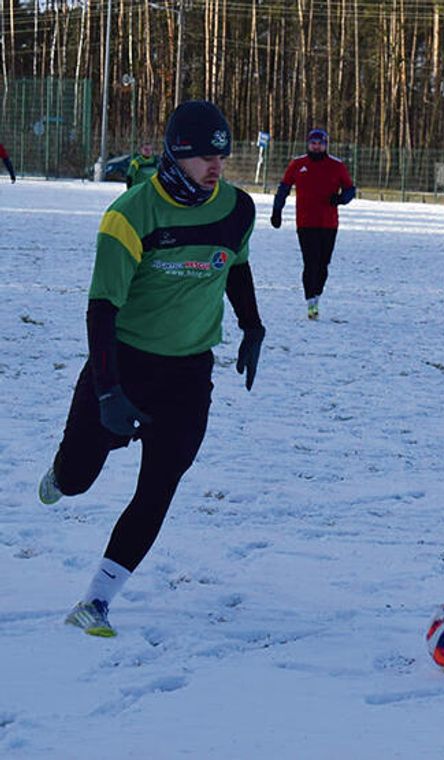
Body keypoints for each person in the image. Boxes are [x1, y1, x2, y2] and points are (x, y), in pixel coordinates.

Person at [38, 100, 265, 637]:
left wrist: (253, 325)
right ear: (175, 155)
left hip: (189, 375)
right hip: (125, 364)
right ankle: (62, 471)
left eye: (222, 154)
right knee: (76, 479)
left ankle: (95, 601)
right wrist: (109, 390)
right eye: (204, 156)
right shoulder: (130, 214)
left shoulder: (237, 208)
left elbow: (236, 265)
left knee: (160, 485)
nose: (216, 166)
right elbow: (101, 309)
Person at [270, 128, 356, 320]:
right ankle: (311, 302)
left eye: (320, 143)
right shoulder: (298, 164)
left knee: (323, 264)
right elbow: (283, 188)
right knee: (310, 262)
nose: (316, 147)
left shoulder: (337, 165)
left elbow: (350, 190)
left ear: (326, 145)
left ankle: (317, 294)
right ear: (308, 144)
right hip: (306, 222)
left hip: (329, 223)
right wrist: (277, 211)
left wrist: (340, 199)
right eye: (313, 143)